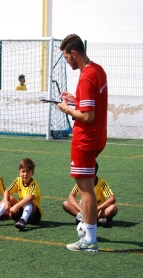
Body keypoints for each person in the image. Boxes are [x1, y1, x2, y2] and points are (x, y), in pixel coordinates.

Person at [58, 34, 108, 252]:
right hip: (97, 137)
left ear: (74, 53)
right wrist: (75, 99)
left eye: (67, 57)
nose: (67, 61)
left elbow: (87, 116)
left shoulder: (86, 77)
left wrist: (66, 109)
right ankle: (90, 235)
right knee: (86, 188)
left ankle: (90, 239)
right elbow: (90, 104)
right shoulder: (98, 70)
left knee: (85, 189)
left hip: (85, 140)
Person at [63, 162, 117, 227]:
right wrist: (81, 210)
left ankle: (95, 218)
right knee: (66, 204)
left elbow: (112, 199)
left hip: (98, 211)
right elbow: (71, 196)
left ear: (93, 174)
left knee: (113, 208)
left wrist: (97, 209)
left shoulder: (102, 183)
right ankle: (85, 217)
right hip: (84, 209)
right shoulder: (82, 182)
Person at [5, 158, 43, 231]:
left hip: (34, 216)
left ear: (33, 173)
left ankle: (22, 221)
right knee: (9, 198)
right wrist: (6, 202)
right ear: (19, 172)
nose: (25, 174)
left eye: (28, 171)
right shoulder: (18, 180)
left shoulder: (33, 184)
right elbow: (7, 191)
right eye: (23, 171)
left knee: (29, 201)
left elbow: (30, 197)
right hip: (22, 210)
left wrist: (16, 206)